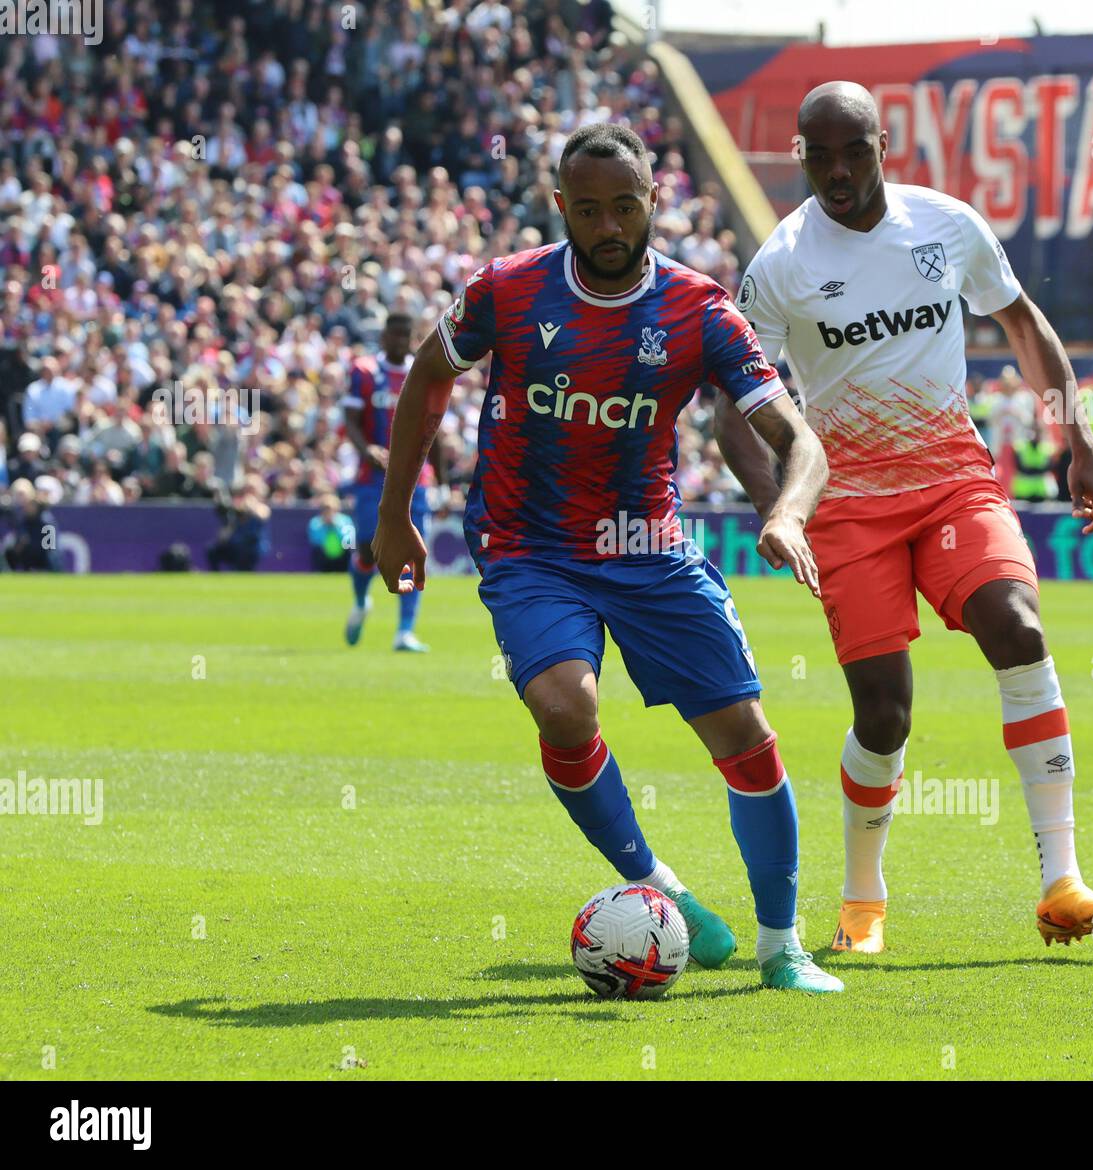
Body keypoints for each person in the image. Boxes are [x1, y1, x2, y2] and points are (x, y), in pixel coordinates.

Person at [371, 124, 842, 994]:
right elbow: (427, 377)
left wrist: (788, 513)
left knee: (743, 736)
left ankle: (784, 948)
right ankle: (662, 890)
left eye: (625, 205)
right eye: (588, 210)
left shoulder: (699, 310)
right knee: (565, 709)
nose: (609, 225)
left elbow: (799, 440)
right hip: (530, 547)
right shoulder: (507, 292)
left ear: (653, 201)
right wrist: (397, 514)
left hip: (649, 547)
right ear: (562, 209)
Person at [716, 81, 1093, 954]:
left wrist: (1078, 439)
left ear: (882, 145)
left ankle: (1062, 880)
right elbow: (735, 408)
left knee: (1017, 630)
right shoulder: (780, 264)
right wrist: (779, 510)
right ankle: (863, 896)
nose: (835, 170)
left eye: (852, 150)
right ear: (800, 154)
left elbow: (1022, 324)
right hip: (848, 506)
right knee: (885, 712)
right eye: (817, 153)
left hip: (952, 482)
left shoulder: (945, 223)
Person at [341, 311, 433, 652]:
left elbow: (432, 424)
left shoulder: (422, 371)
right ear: (383, 337)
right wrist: (367, 450)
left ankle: (405, 631)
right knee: (368, 546)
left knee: (412, 548)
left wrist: (443, 476)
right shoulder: (364, 372)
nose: (398, 341)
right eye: (393, 335)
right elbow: (350, 420)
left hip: (416, 478)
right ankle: (362, 600)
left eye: (404, 336)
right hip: (372, 477)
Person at [308, 494, 355, 572]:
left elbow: (349, 542)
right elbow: (315, 541)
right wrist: (325, 527)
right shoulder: (315, 522)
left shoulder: (346, 520)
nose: (328, 512)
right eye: (325, 509)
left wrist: (335, 526)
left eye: (330, 509)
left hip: (342, 556)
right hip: (323, 556)